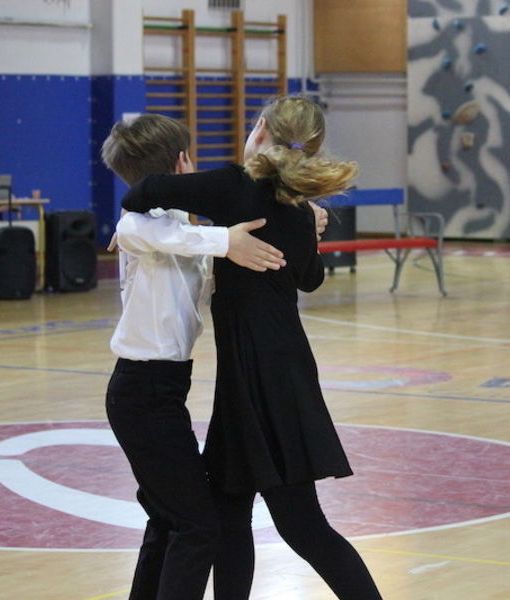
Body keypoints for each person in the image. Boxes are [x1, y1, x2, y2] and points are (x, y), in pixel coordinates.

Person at [121, 95, 383, 599]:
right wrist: (301, 225)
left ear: (259, 128)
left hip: (265, 377)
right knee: (228, 513)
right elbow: (310, 278)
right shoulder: (295, 206)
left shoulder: (233, 186)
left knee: (302, 525)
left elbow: (143, 191)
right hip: (267, 371)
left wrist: (145, 231)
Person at [100, 113, 290, 600]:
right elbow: (154, 232)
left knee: (170, 520)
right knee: (198, 526)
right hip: (142, 392)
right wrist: (226, 240)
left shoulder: (178, 226)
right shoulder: (138, 224)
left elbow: (189, 244)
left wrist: (307, 217)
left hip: (161, 391)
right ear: (183, 162)